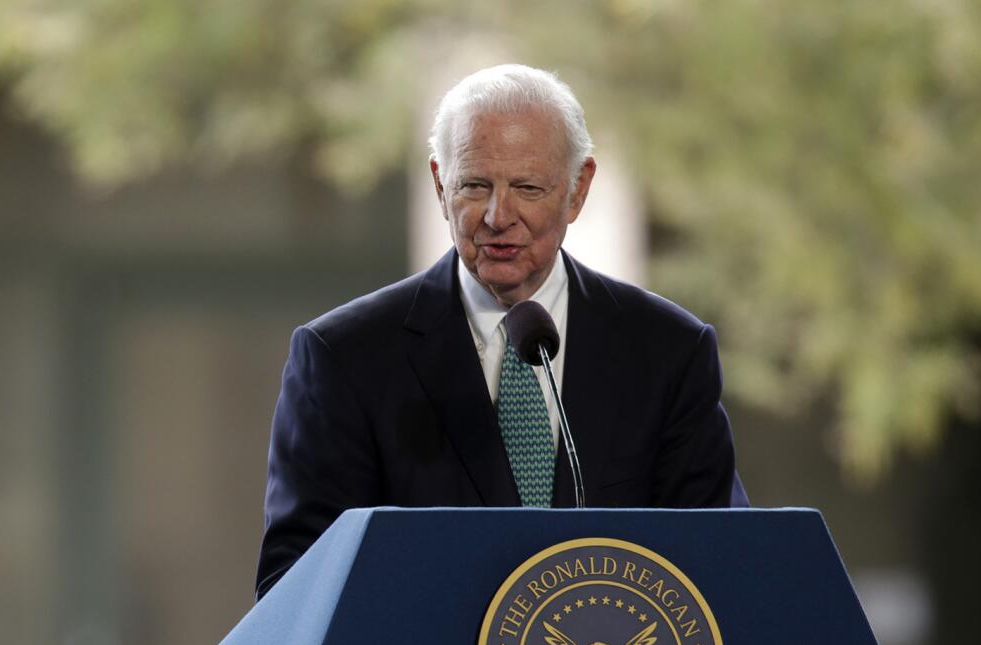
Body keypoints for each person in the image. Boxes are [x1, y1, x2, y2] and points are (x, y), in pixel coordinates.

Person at [256, 64, 748, 598]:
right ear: (440, 184)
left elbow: (719, 569)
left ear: (578, 190)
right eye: (474, 185)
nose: (498, 215)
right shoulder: (344, 358)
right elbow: (294, 593)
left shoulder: (668, 352)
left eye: (528, 188)